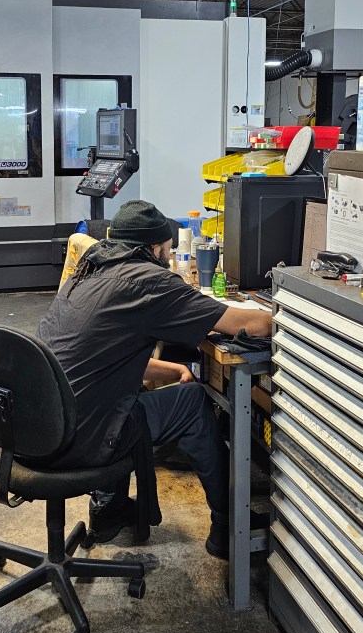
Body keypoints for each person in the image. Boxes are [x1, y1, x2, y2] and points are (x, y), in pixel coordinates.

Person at [38, 199, 271, 559]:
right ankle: (229, 528)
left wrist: (170, 369)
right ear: (154, 248)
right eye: (168, 248)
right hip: (83, 434)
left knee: (135, 396)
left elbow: (104, 358)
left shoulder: (88, 270)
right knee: (193, 404)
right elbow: (245, 324)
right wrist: (287, 313)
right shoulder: (147, 281)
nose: (169, 255)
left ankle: (109, 508)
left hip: (38, 424)